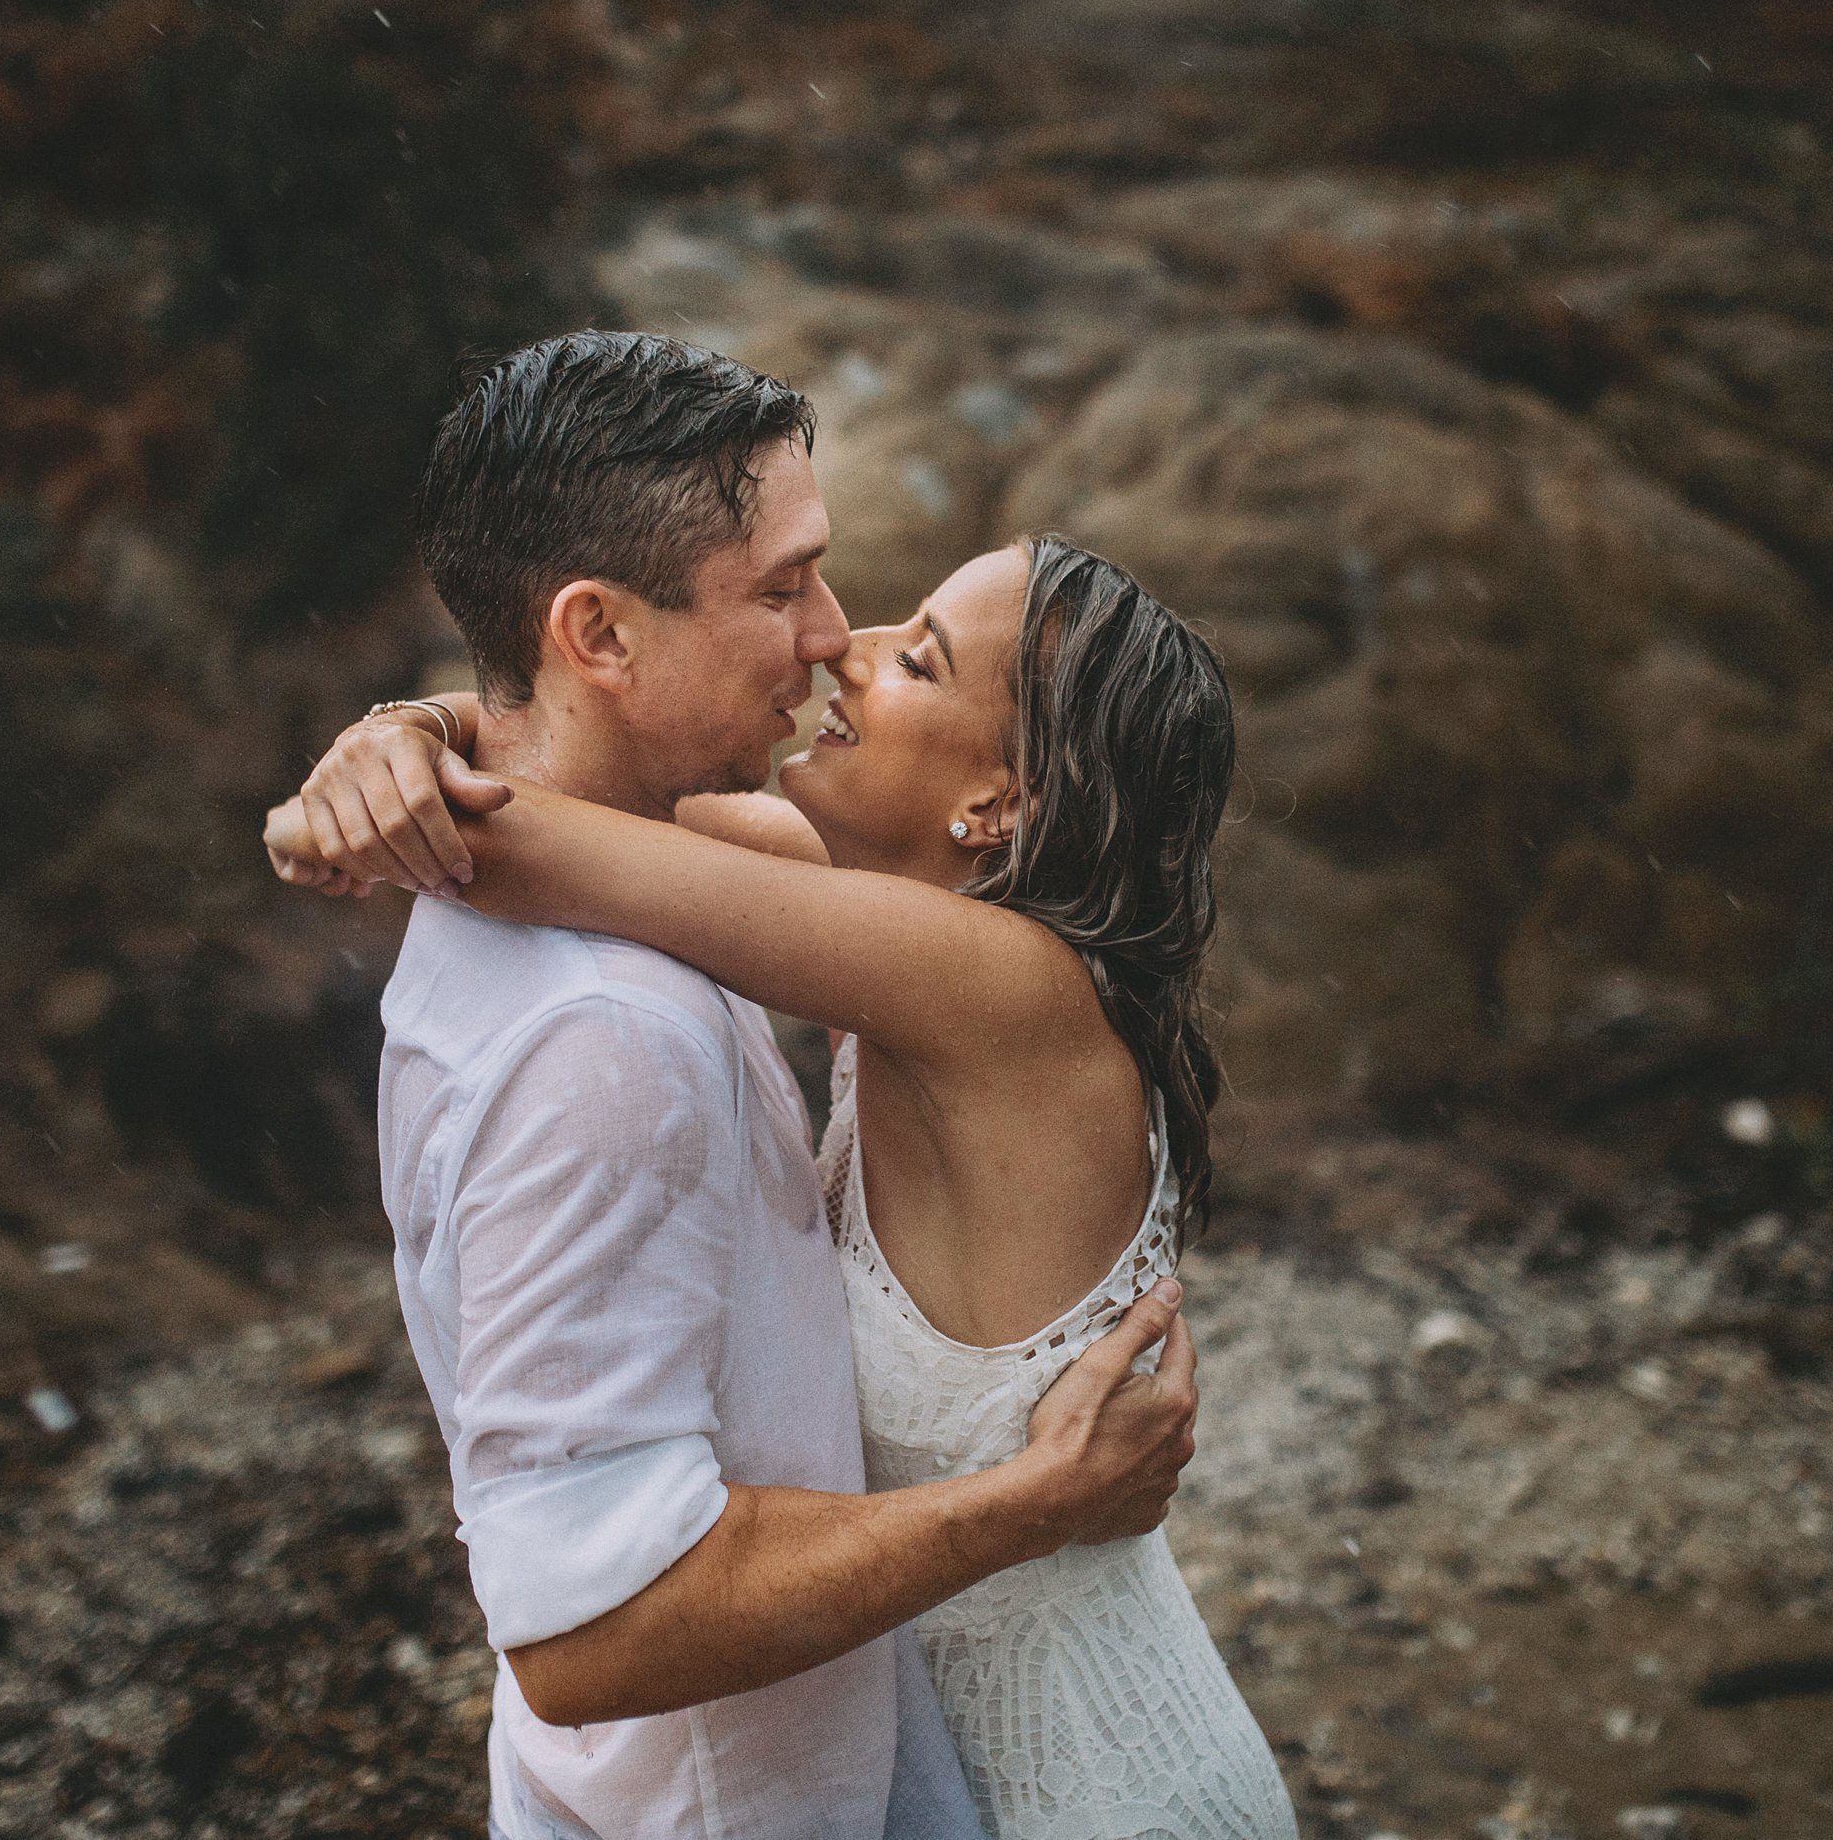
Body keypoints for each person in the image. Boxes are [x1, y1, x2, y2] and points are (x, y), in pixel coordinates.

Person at [271, 399, 1298, 1832]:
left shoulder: (1005, 989)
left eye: (914, 658)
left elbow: (508, 833)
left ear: (998, 800)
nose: (841, 645)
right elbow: (552, 786)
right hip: (941, 1765)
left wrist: (381, 760)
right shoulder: (880, 909)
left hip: (1090, 1782)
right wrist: (408, 726)